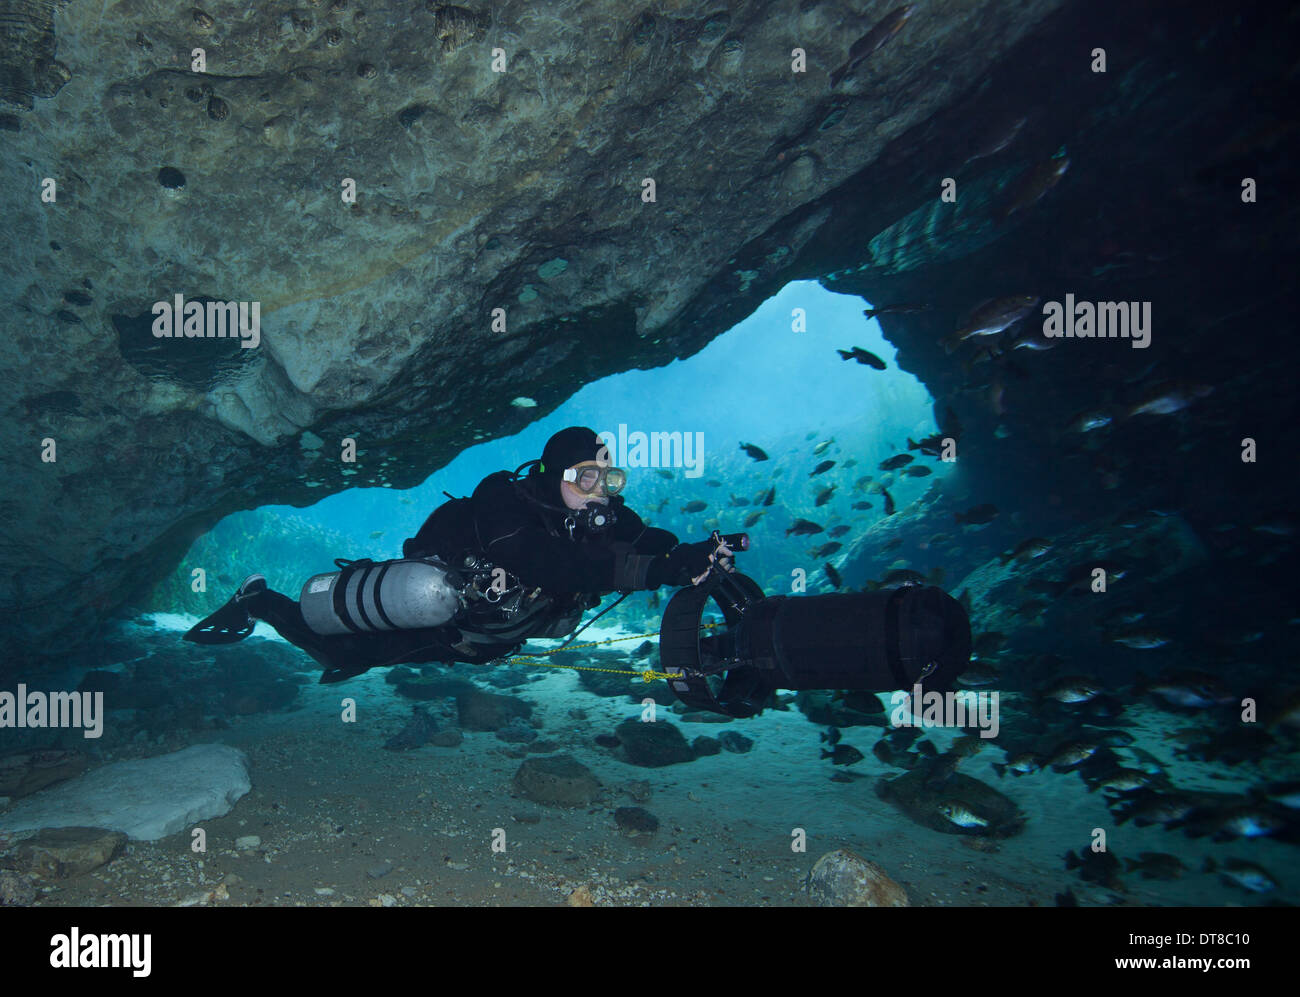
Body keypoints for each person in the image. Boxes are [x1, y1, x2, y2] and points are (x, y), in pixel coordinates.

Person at [184, 427, 734, 683]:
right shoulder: (506, 510)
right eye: (586, 475)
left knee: (363, 661)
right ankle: (258, 599)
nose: (601, 490)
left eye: (609, 477)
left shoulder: (604, 515)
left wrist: (694, 553)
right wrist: (656, 571)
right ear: (553, 474)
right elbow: (546, 565)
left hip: (481, 643)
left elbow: (646, 542)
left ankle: (328, 636)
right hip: (441, 619)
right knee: (338, 657)